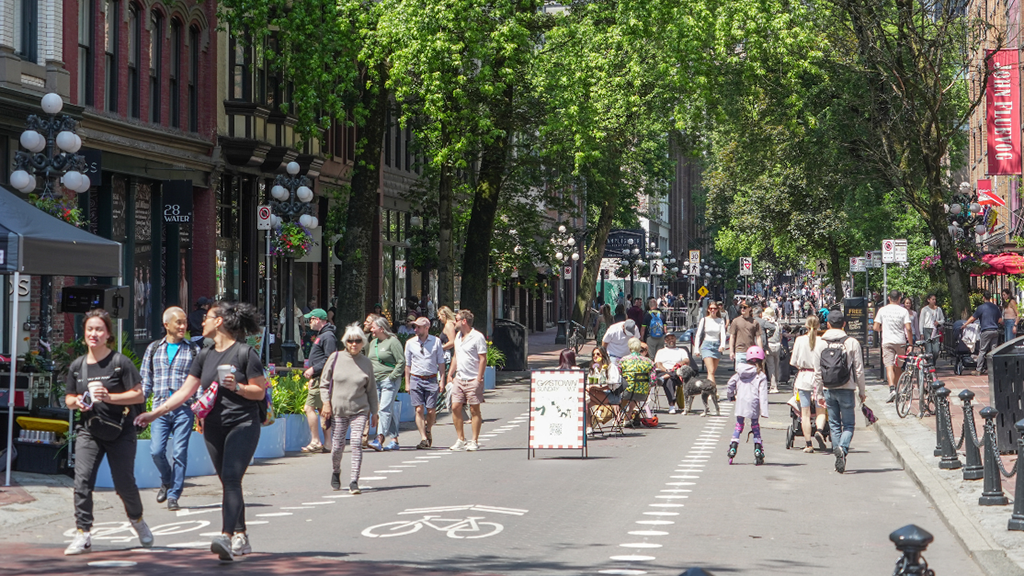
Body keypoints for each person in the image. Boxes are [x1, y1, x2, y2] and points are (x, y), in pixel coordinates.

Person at [135, 301, 268, 561]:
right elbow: (185, 392)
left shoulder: (245, 353)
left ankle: (227, 536)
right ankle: (241, 534)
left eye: (206, 317)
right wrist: (154, 413)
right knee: (229, 481)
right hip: (213, 426)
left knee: (230, 478)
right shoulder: (204, 354)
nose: (201, 322)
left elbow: (260, 391)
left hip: (242, 423)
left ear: (219, 322)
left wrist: (237, 387)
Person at [64, 309, 152, 555]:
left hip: (121, 430)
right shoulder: (77, 366)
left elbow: (138, 394)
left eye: (99, 329)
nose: (94, 334)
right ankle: (83, 533)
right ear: (84, 334)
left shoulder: (119, 363)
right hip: (89, 429)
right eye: (90, 329)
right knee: (82, 480)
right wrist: (77, 403)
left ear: (108, 335)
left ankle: (137, 520)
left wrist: (109, 397)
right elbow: (69, 397)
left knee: (124, 483)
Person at [140, 307, 199, 511]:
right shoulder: (153, 348)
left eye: (185, 322)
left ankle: (174, 495)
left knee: (180, 452)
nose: (183, 326)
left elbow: (197, 384)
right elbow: (145, 381)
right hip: (159, 409)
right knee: (156, 451)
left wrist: (200, 410)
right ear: (167, 325)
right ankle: (166, 480)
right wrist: (139, 405)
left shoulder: (193, 350)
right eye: (179, 323)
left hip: (184, 409)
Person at [320, 323, 379, 494]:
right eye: (350, 341)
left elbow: (371, 390)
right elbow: (324, 384)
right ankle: (336, 471)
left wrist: (375, 412)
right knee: (337, 446)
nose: (354, 344)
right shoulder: (335, 357)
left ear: (363, 342)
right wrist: (326, 403)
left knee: (356, 443)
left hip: (360, 410)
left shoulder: (366, 363)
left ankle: (354, 480)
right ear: (345, 342)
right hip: (338, 410)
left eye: (358, 341)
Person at [814, 310, 865, 474]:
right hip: (847, 388)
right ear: (844, 324)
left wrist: (819, 394)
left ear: (828, 324)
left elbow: (817, 372)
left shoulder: (820, 343)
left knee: (834, 425)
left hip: (829, 388)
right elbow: (859, 370)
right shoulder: (852, 342)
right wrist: (862, 391)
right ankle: (842, 449)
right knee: (849, 424)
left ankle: (838, 453)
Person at [447, 309, 489, 451]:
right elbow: (455, 356)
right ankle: (460, 439)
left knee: (474, 409)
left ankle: (474, 440)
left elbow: (483, 358)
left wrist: (479, 378)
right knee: (455, 407)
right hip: (459, 377)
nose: (454, 322)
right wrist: (450, 373)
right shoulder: (458, 337)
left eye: (457, 319)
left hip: (472, 378)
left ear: (464, 321)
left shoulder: (477, 337)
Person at [404, 317, 445, 449]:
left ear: (426, 328)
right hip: (416, 378)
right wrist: (407, 382)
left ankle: (428, 429)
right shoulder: (410, 343)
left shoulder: (436, 341)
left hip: (431, 378)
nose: (415, 329)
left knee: (431, 410)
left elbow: (441, 362)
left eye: (418, 327)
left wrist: (442, 380)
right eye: (414, 327)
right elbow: (407, 364)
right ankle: (423, 438)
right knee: (419, 409)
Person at [300, 308, 337, 453]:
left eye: (311, 319)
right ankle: (328, 443)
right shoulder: (324, 335)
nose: (309, 322)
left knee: (309, 408)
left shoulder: (327, 337)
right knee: (323, 410)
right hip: (319, 378)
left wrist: (313, 370)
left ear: (318, 320)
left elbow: (330, 359)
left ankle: (316, 440)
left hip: (321, 379)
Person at [367, 317, 405, 451]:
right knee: (386, 409)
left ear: (382, 329)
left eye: (373, 327)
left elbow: (401, 361)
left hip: (389, 381)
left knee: (383, 409)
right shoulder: (373, 343)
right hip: (375, 381)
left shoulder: (393, 342)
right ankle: (394, 439)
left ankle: (379, 438)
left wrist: (392, 377)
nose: (371, 329)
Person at [726, 345, 769, 465]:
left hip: (741, 401)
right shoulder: (761, 375)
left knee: (739, 425)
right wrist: (764, 411)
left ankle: (733, 447)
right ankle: (757, 450)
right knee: (755, 426)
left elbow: (730, 384)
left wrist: (731, 395)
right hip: (754, 403)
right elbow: (763, 394)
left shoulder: (739, 372)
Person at [789, 315, 825, 453]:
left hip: (804, 377)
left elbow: (794, 362)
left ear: (805, 326)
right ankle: (820, 431)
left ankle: (808, 444)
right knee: (821, 410)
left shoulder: (799, 340)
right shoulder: (823, 341)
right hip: (819, 378)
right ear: (818, 326)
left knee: (805, 413)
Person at [874, 290, 912, 401]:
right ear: (900, 298)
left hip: (887, 341)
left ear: (889, 298)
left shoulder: (882, 310)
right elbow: (908, 328)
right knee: (898, 366)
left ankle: (892, 389)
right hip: (900, 341)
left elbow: (875, 327)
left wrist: (883, 329)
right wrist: (910, 343)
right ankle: (897, 388)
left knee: (889, 366)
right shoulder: (904, 311)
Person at [963, 291, 1002, 376]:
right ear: (990, 297)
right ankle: (994, 369)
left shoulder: (981, 308)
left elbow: (973, 318)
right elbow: (1000, 320)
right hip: (995, 330)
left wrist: (965, 325)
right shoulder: (995, 307)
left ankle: (978, 370)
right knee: (993, 351)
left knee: (982, 351)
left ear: (983, 298)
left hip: (986, 330)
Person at [586, 347, 621, 434]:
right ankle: (588, 427)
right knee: (584, 405)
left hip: (612, 395)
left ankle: (589, 426)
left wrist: (599, 388)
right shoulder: (593, 368)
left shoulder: (610, 367)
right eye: (593, 354)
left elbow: (613, 384)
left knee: (585, 397)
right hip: (597, 395)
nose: (595, 356)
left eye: (598, 354)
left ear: (603, 355)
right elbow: (589, 382)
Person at [618, 338, 654, 425]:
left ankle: (618, 417)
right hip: (643, 393)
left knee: (625, 390)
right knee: (635, 392)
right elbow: (653, 381)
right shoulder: (649, 361)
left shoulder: (623, 360)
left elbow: (619, 376)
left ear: (629, 348)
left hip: (626, 392)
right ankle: (628, 416)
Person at [653, 333, 690, 414]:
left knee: (674, 374)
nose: (671, 340)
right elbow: (657, 364)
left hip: (678, 373)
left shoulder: (681, 351)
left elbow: (687, 361)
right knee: (669, 380)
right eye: (668, 339)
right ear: (665, 341)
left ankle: (671, 406)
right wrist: (666, 370)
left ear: (675, 339)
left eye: (672, 338)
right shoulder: (660, 351)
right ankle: (671, 405)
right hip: (663, 372)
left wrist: (681, 363)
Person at [693, 303, 727, 385]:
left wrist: (722, 345)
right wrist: (696, 349)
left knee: (711, 372)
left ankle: (708, 392)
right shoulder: (704, 320)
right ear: (708, 309)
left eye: (715, 308)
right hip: (706, 345)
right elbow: (698, 335)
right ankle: (713, 392)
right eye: (711, 308)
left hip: (716, 345)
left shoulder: (720, 320)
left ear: (717, 309)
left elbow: (723, 334)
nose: (713, 310)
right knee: (711, 370)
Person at [729, 301, 763, 367]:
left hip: (751, 352)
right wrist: (731, 351)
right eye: (741, 307)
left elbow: (758, 338)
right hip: (739, 351)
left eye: (744, 307)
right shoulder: (736, 321)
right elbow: (732, 336)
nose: (742, 309)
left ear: (750, 308)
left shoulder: (754, 322)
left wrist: (760, 352)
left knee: (751, 374)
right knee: (740, 374)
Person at [760, 307, 783, 393]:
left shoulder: (765, 322)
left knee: (770, 366)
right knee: (776, 365)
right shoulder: (777, 323)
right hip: (777, 345)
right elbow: (780, 335)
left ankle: (773, 386)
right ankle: (776, 382)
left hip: (769, 345)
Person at [919, 294, 945, 361]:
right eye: (932, 299)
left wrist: (938, 322)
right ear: (928, 300)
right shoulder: (924, 309)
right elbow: (921, 321)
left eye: (935, 299)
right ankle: (930, 365)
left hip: (935, 330)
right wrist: (921, 332)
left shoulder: (938, 309)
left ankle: (933, 362)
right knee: (929, 349)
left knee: (936, 350)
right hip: (927, 329)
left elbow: (943, 320)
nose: (934, 301)